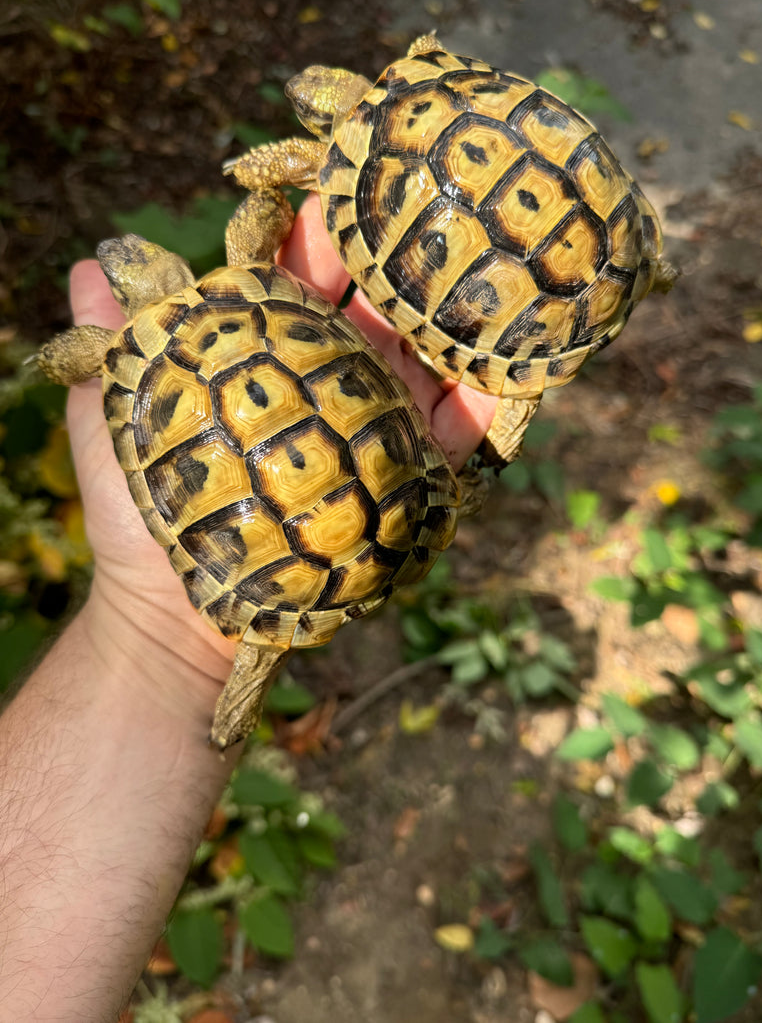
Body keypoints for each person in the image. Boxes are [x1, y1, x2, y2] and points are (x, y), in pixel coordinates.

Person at [0, 194, 497, 1022]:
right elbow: (253, 226)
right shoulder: (243, 285)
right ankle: (414, 520)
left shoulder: (122, 357)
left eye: (129, 268)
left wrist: (55, 362)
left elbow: (82, 354)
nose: (124, 269)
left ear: (131, 292)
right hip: (372, 497)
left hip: (276, 548)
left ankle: (246, 664)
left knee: (244, 632)